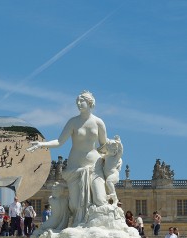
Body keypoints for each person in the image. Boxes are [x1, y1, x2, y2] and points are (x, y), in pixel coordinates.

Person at [27, 91, 109, 227]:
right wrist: (42, 144)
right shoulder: (73, 122)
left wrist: (114, 157)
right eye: (77, 101)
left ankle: (97, 225)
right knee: (76, 204)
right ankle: (79, 226)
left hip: (95, 166)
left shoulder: (99, 122)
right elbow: (60, 142)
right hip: (75, 166)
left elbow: (104, 146)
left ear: (89, 103)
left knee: (100, 199)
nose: (78, 104)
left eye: (81, 101)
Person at [103, 136, 123, 205]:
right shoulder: (106, 156)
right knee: (106, 184)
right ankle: (111, 197)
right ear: (108, 149)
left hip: (114, 174)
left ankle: (114, 196)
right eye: (112, 149)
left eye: (115, 149)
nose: (115, 151)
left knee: (109, 181)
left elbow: (120, 151)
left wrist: (119, 143)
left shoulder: (116, 157)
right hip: (107, 175)